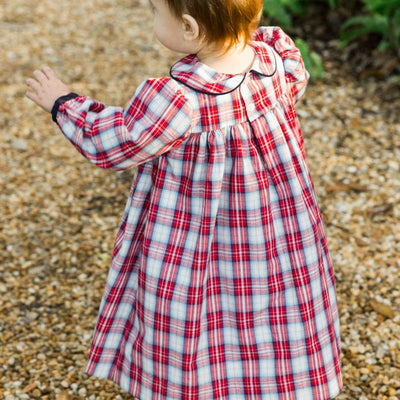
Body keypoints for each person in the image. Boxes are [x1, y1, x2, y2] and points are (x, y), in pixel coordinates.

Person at [26, 0, 343, 398]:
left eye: (156, 11)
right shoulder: (275, 60)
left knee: (197, 306)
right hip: (276, 232)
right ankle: (267, 384)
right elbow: (291, 93)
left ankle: (194, 385)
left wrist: (63, 103)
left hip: (196, 236)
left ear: (190, 28)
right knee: (268, 305)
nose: (153, 16)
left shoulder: (181, 100)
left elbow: (118, 141)